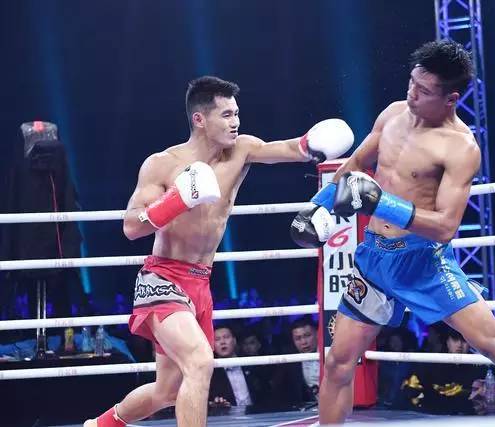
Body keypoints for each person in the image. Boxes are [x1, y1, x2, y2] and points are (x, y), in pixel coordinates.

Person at [290, 40, 495, 424]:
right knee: (338, 361)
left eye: (424, 90)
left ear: (451, 99)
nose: (412, 94)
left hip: (423, 263)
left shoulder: (460, 147)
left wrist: (379, 202)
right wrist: (317, 207)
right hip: (374, 260)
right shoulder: (393, 114)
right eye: (412, 82)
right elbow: (356, 165)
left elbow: (445, 226)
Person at [84, 75, 353, 427]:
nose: (235, 122)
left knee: (166, 391)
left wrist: (310, 144)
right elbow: (132, 227)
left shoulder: (241, 150)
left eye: (236, 113)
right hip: (162, 278)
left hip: (201, 283)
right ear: (200, 119)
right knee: (200, 362)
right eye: (226, 115)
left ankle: (99, 425)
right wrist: (177, 200)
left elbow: (290, 149)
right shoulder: (162, 163)